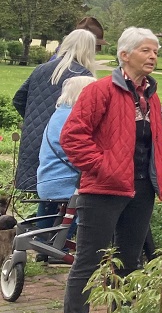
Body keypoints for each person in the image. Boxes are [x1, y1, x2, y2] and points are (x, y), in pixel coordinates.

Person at [59, 28, 162, 313]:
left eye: (155, 51)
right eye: (146, 51)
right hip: (104, 190)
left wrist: (158, 176)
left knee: (129, 262)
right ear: (125, 55)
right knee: (89, 262)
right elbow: (73, 137)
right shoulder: (100, 91)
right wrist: (104, 167)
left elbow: (152, 143)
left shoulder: (151, 95)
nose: (153, 56)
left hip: (141, 189)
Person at [12, 28, 99, 202]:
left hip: (33, 138)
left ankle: (43, 228)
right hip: (60, 142)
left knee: (45, 196)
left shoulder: (41, 69)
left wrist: (33, 121)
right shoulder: (83, 75)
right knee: (63, 196)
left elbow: (18, 99)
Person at [35, 75, 97, 228]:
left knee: (46, 235)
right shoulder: (74, 118)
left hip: (48, 180)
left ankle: (45, 246)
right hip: (65, 184)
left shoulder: (59, 114)